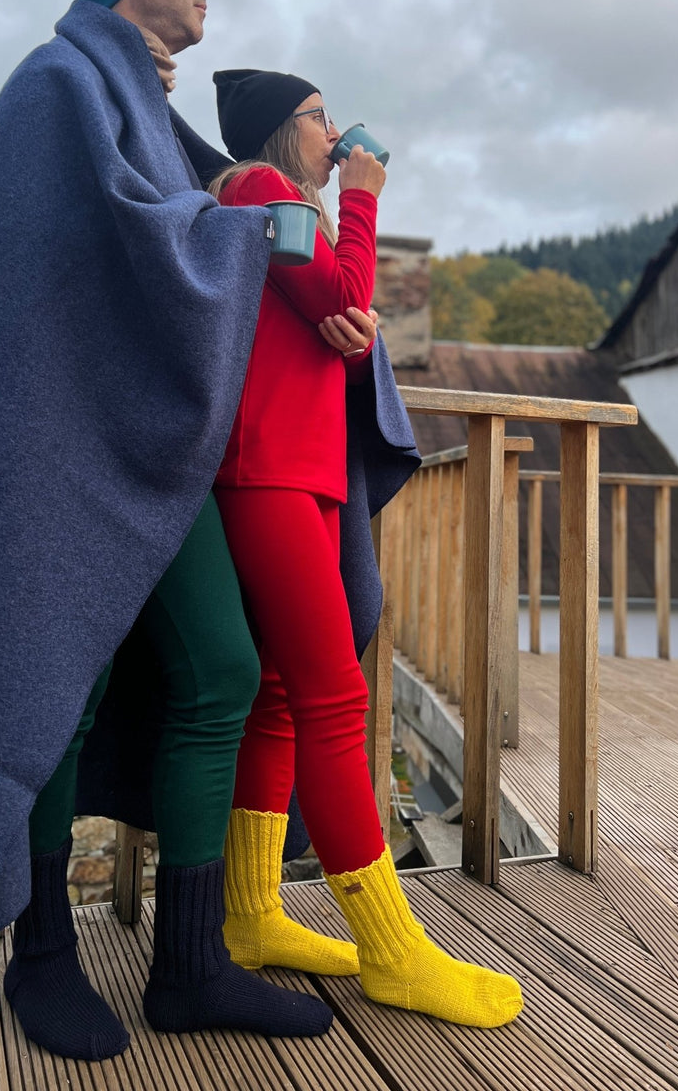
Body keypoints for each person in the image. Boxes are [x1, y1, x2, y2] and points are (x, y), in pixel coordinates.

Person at [0, 0, 339, 1062]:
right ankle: (43, 954)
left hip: (150, 456)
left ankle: (190, 964)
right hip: (58, 452)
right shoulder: (53, 87)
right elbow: (117, 253)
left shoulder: (141, 105)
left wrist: (243, 212)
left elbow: (177, 224)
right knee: (52, 690)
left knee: (222, 665)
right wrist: (253, 232)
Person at [207, 68, 525, 1030]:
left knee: (280, 693)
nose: (336, 134)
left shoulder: (280, 210)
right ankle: (392, 952)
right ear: (281, 128)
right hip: (266, 472)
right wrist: (365, 196)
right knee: (335, 697)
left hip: (298, 470)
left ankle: (251, 914)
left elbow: (328, 314)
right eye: (321, 119)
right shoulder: (261, 190)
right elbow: (343, 286)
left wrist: (350, 338)